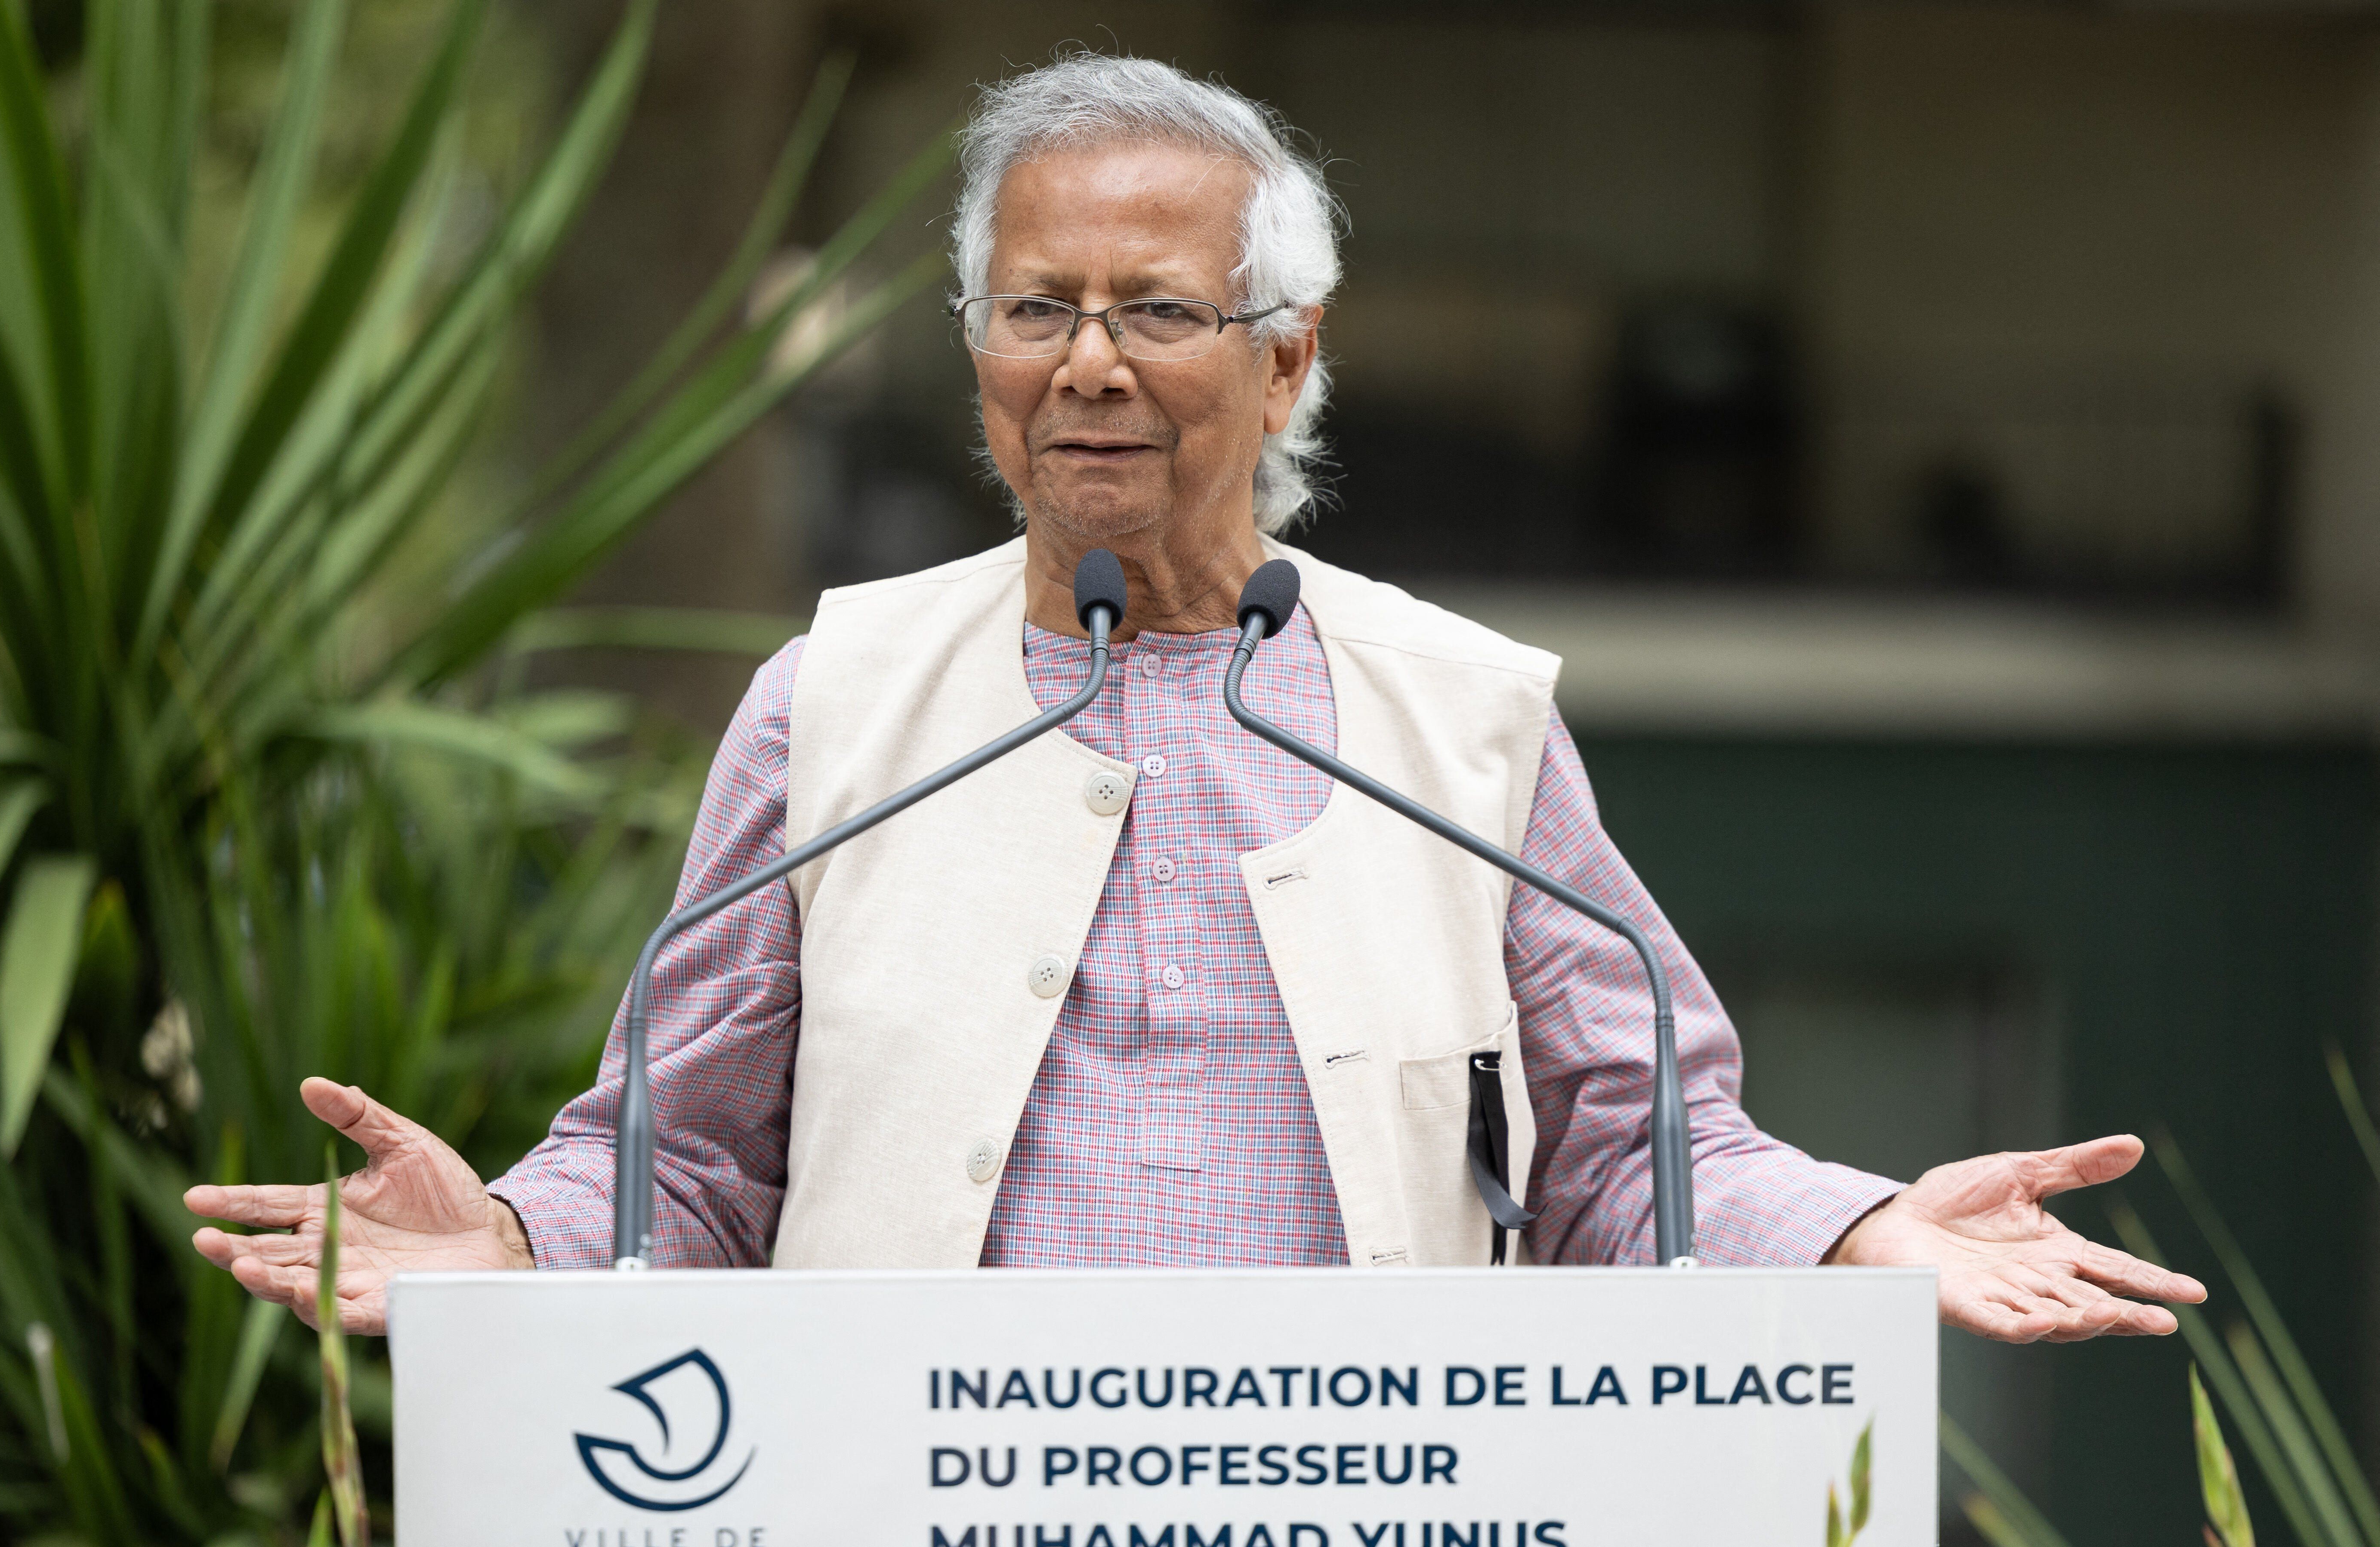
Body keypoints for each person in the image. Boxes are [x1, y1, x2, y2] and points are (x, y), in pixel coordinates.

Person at [186, 53, 2201, 1344]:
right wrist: (514, 1248)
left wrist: (1862, 1232)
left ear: (1288, 362)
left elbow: (1636, 1144)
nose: (1085, 364)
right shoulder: (840, 702)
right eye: (1033, 309)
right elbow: (687, 1162)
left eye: (1156, 312)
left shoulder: (1456, 719)